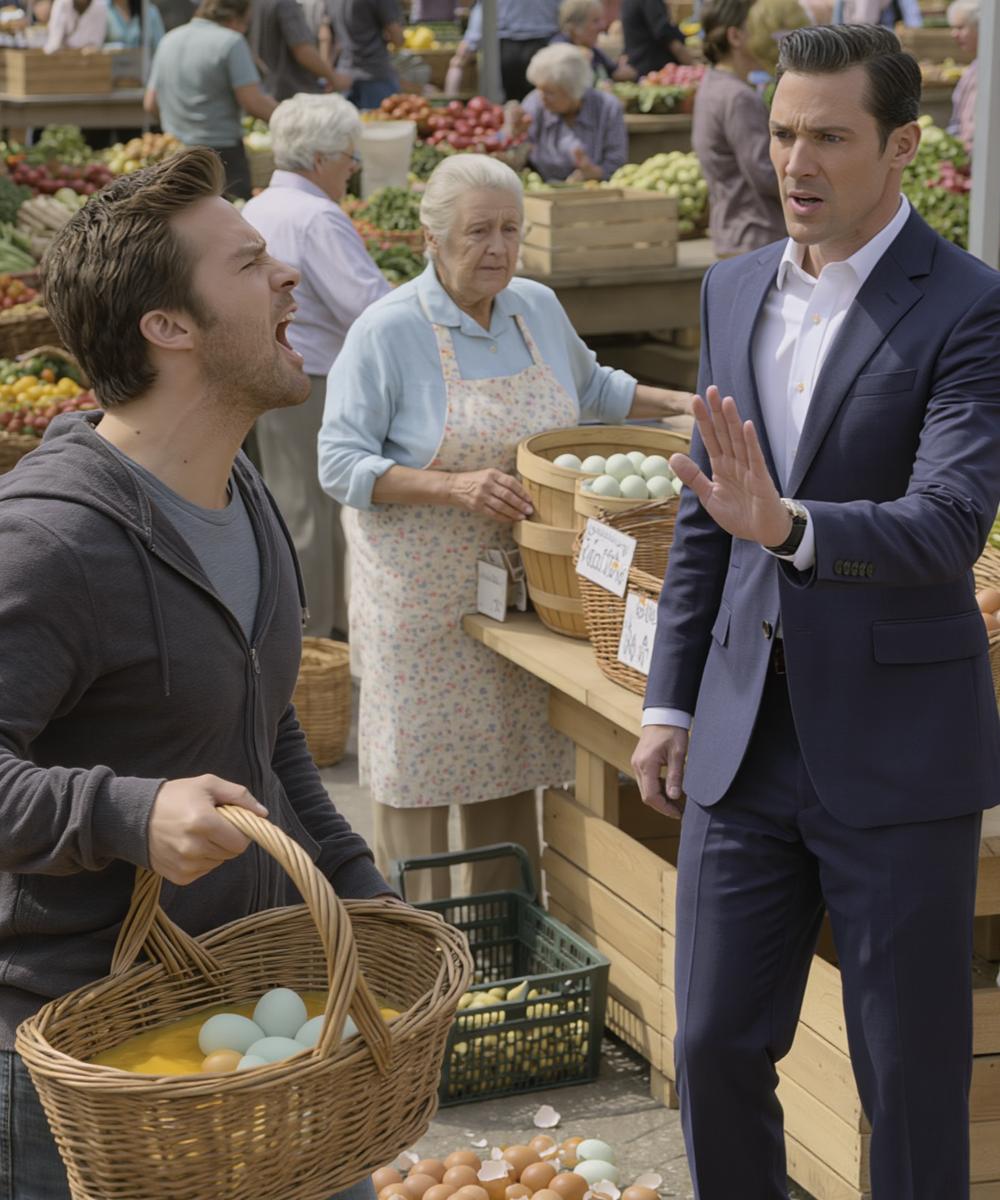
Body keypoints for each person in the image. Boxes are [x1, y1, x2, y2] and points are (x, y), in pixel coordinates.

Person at [632, 23, 1000, 1200]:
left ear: (900, 145)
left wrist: (789, 527)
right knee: (709, 1047)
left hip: (897, 754)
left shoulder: (968, 306)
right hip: (742, 741)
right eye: (784, 131)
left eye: (828, 137)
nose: (794, 160)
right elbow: (703, 516)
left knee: (907, 1081)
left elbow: (947, 524)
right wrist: (669, 699)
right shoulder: (732, 285)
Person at [0, 146, 395, 1199]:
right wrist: (129, 813)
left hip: (250, 1035)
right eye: (248, 264)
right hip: (88, 1076)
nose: (290, 277)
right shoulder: (53, 543)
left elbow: (264, 736)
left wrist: (360, 891)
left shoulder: (243, 491)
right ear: (167, 329)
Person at [319, 154, 692, 902]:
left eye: (510, 230)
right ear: (431, 239)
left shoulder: (535, 308)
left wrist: (688, 405)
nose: (497, 248)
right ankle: (420, 957)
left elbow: (594, 389)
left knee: (510, 766)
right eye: (477, 231)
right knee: (420, 784)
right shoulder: (387, 330)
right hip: (421, 602)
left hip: (526, 596)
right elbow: (339, 463)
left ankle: (507, 950)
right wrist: (451, 486)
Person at [243, 94, 391, 643]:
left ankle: (315, 632)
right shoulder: (317, 216)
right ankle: (311, 642)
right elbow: (370, 306)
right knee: (312, 512)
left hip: (274, 373)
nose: (353, 168)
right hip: (316, 378)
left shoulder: (257, 207)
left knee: (302, 505)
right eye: (350, 156)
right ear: (322, 157)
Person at [145, 0, 275, 201]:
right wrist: (290, 119)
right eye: (246, 23)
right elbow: (253, 102)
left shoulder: (168, 40)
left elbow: (151, 104)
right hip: (221, 158)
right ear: (235, 18)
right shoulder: (231, 42)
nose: (245, 29)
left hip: (174, 154)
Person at [692, 0, 785, 257]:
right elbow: (766, 174)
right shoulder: (738, 97)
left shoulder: (712, 84)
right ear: (735, 36)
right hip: (757, 238)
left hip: (734, 233)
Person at [519, 43, 628, 182]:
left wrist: (593, 173)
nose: (542, 97)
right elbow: (517, 156)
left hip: (594, 194)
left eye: (550, 93)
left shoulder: (608, 108)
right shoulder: (534, 102)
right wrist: (516, 136)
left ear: (573, 91)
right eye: (538, 89)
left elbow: (616, 165)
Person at [249, 0, 352, 103]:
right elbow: (301, 48)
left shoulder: (256, 3)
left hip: (269, 89)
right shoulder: (285, 3)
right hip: (296, 93)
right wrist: (334, 78)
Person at [461, 0, 561, 101]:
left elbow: (483, 9)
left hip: (539, 45)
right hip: (513, 46)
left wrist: (471, 41)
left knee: (541, 99)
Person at [330, 0, 404, 110]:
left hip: (345, 74)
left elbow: (327, 35)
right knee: (386, 123)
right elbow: (398, 38)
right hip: (374, 74)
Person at [551, 0, 636, 82]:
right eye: (596, 21)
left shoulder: (591, 49)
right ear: (575, 29)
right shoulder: (559, 52)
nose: (602, 26)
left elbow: (616, 72)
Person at [620, 0, 692, 79]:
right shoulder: (650, 2)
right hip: (655, 71)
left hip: (642, 68)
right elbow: (665, 33)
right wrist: (693, 64)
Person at [946, 0, 978, 153]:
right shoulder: (972, 70)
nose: (954, 34)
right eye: (953, 28)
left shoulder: (988, 72)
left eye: (961, 27)